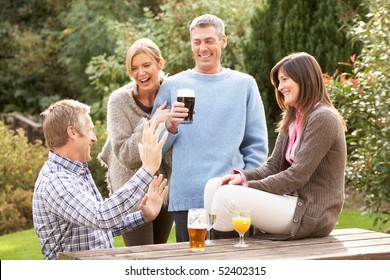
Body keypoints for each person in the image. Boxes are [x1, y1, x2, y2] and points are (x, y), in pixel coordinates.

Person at [204, 52, 347, 240]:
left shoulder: (323, 118)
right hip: (290, 202)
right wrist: (241, 177)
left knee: (227, 197)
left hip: (310, 213)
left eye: (284, 80)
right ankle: (227, 251)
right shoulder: (293, 119)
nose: (280, 88)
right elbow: (272, 167)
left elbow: (297, 175)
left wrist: (247, 186)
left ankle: (223, 258)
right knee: (214, 186)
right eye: (279, 82)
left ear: (304, 78)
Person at [152, 14, 268, 242]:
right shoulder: (173, 85)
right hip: (188, 199)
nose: (202, 48)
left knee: (234, 266)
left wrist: (244, 183)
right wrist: (170, 125)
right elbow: (153, 147)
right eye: (197, 42)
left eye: (209, 40)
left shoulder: (244, 84)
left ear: (223, 41)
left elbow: (257, 145)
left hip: (230, 196)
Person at [32, 99, 169, 260]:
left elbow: (98, 227)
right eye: (89, 130)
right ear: (73, 132)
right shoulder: (56, 181)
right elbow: (101, 217)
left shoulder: (76, 172)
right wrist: (147, 169)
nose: (94, 138)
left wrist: (144, 216)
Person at [98, 38, 173, 246]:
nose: (141, 73)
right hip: (131, 193)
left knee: (158, 254)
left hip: (164, 188)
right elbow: (125, 155)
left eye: (146, 65)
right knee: (141, 258)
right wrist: (151, 122)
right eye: (134, 68)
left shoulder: (173, 92)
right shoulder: (119, 101)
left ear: (160, 63)